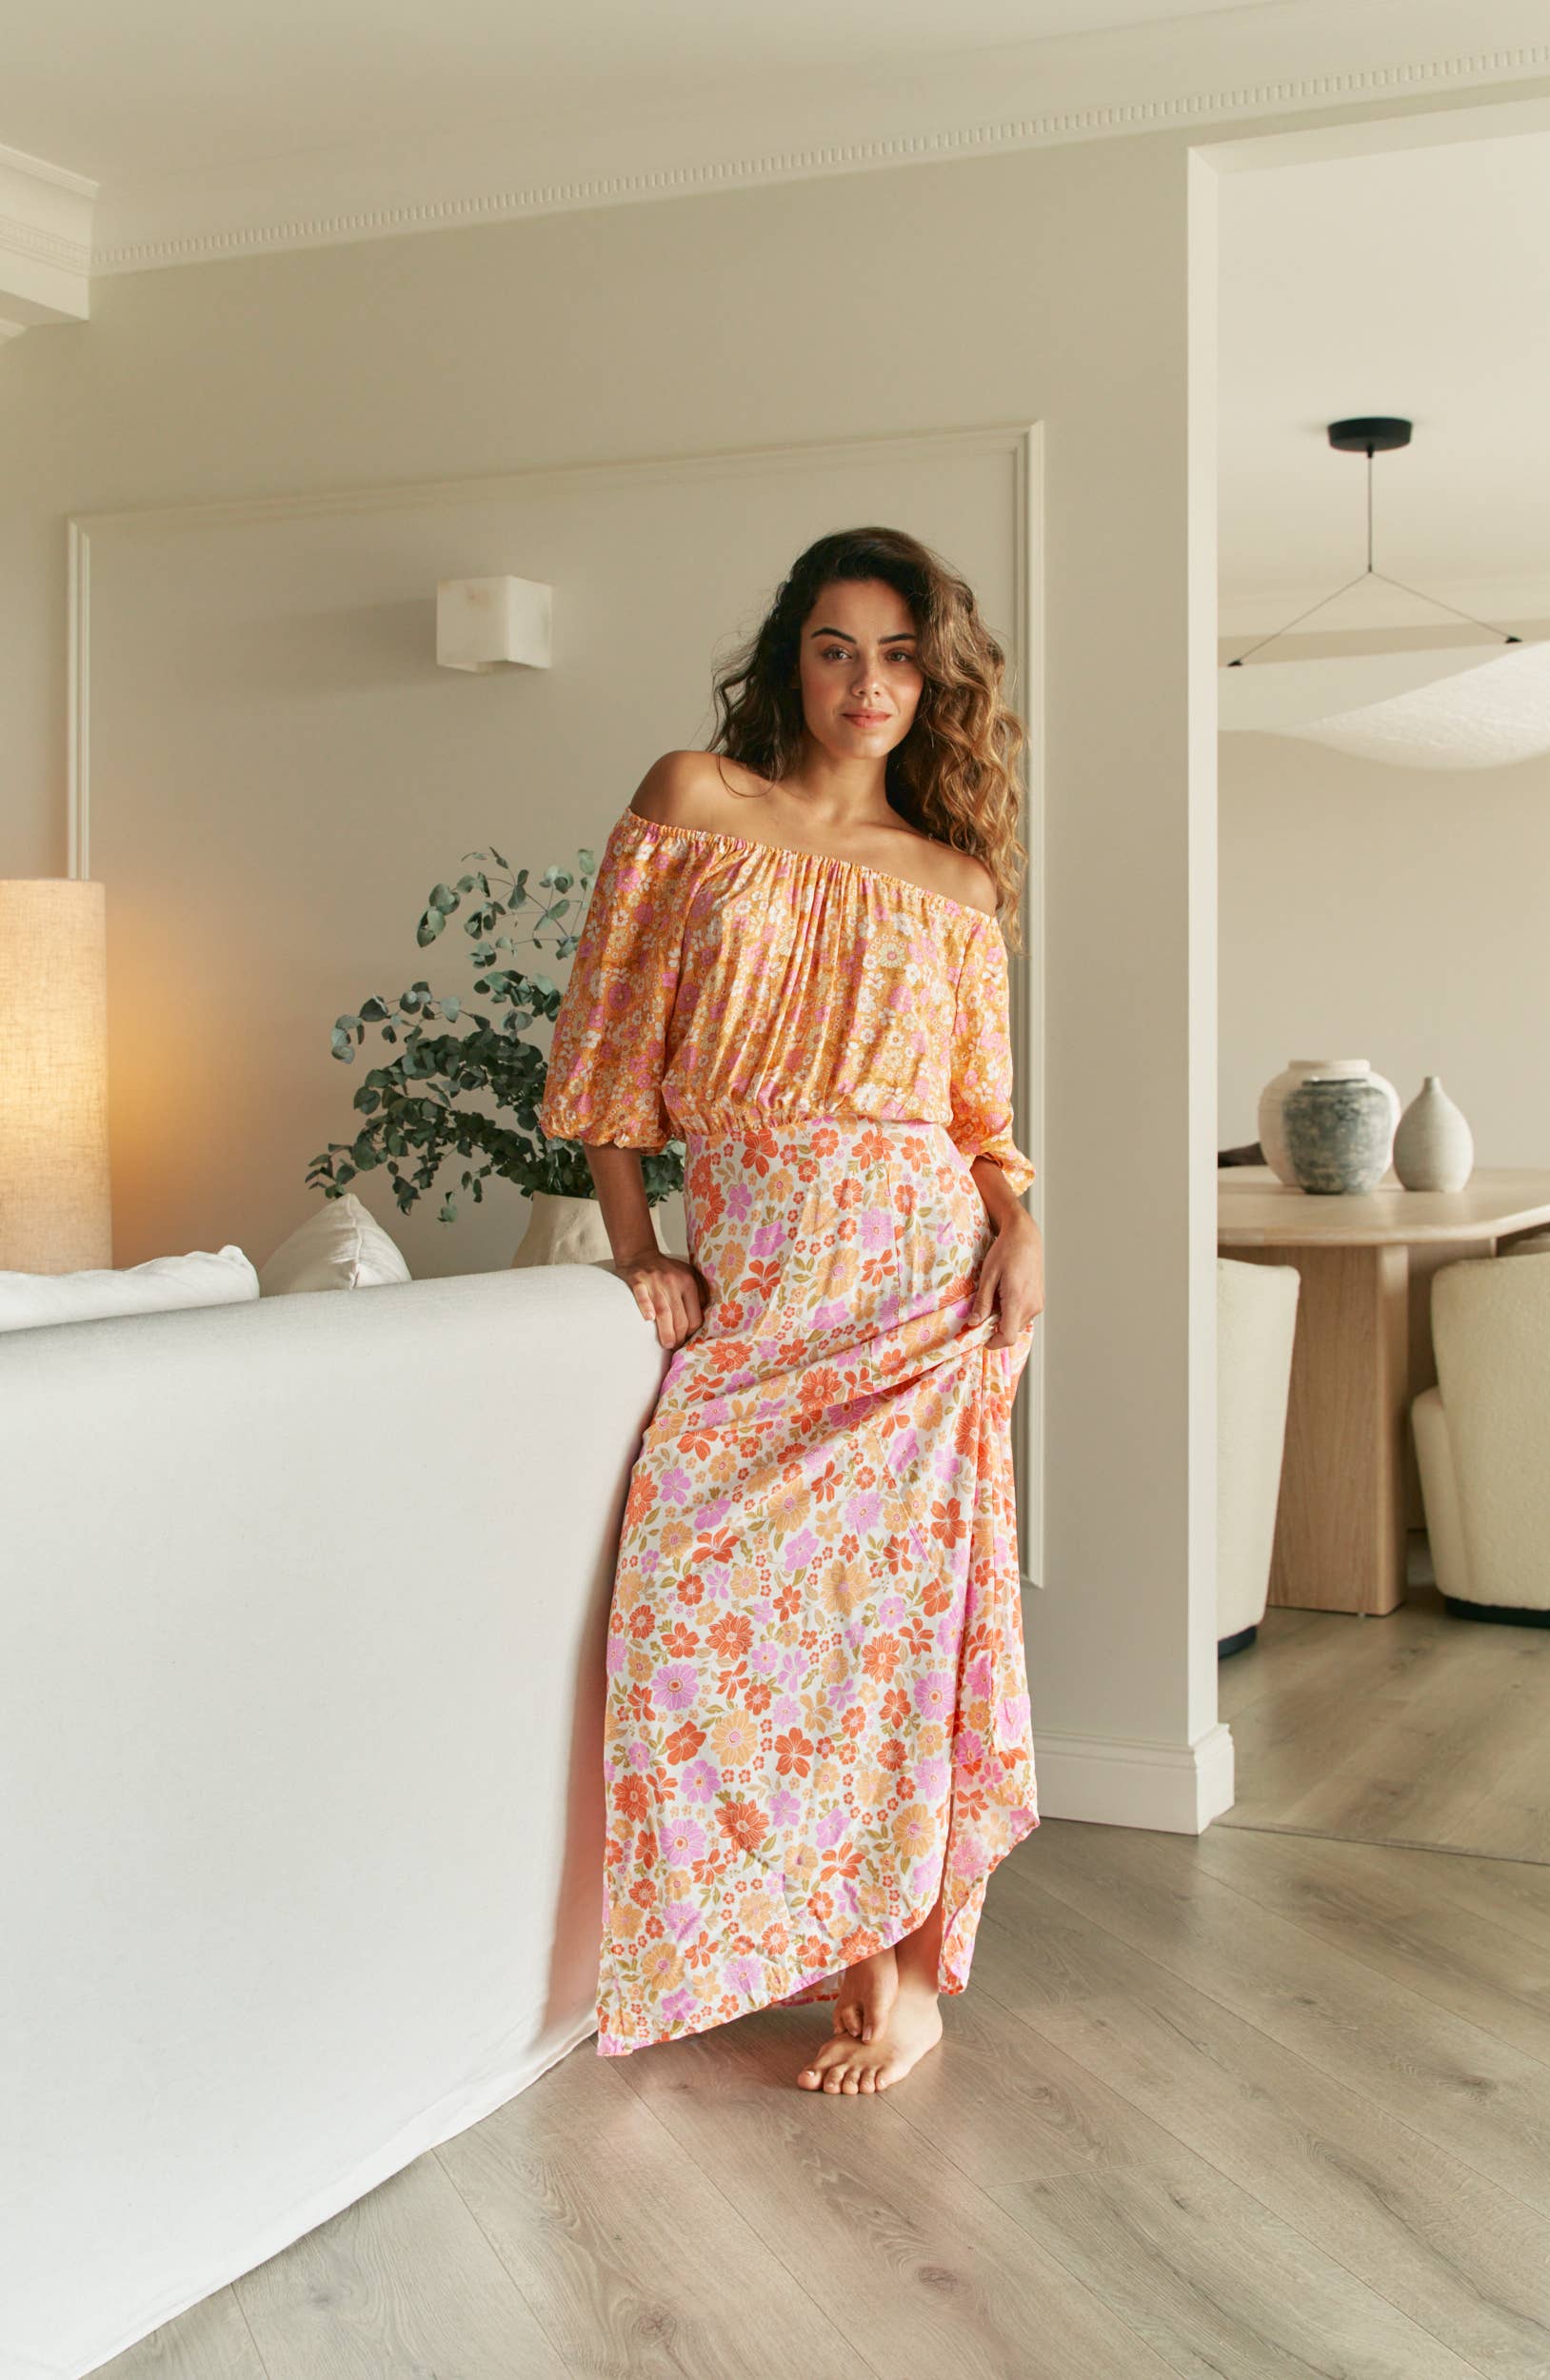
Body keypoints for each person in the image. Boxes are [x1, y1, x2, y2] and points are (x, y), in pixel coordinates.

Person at [538, 525, 1043, 2094]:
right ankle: (817, 1944)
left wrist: (1023, 1224)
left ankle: (898, 1973)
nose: (866, 684)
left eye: (898, 657)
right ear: (792, 661)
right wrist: (642, 1247)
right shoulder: (693, 801)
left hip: (923, 1295)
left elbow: (979, 1122)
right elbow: (606, 1052)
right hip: (761, 1301)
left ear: (934, 683)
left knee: (892, 1640)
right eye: (837, 649)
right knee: (699, 1610)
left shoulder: (956, 882)